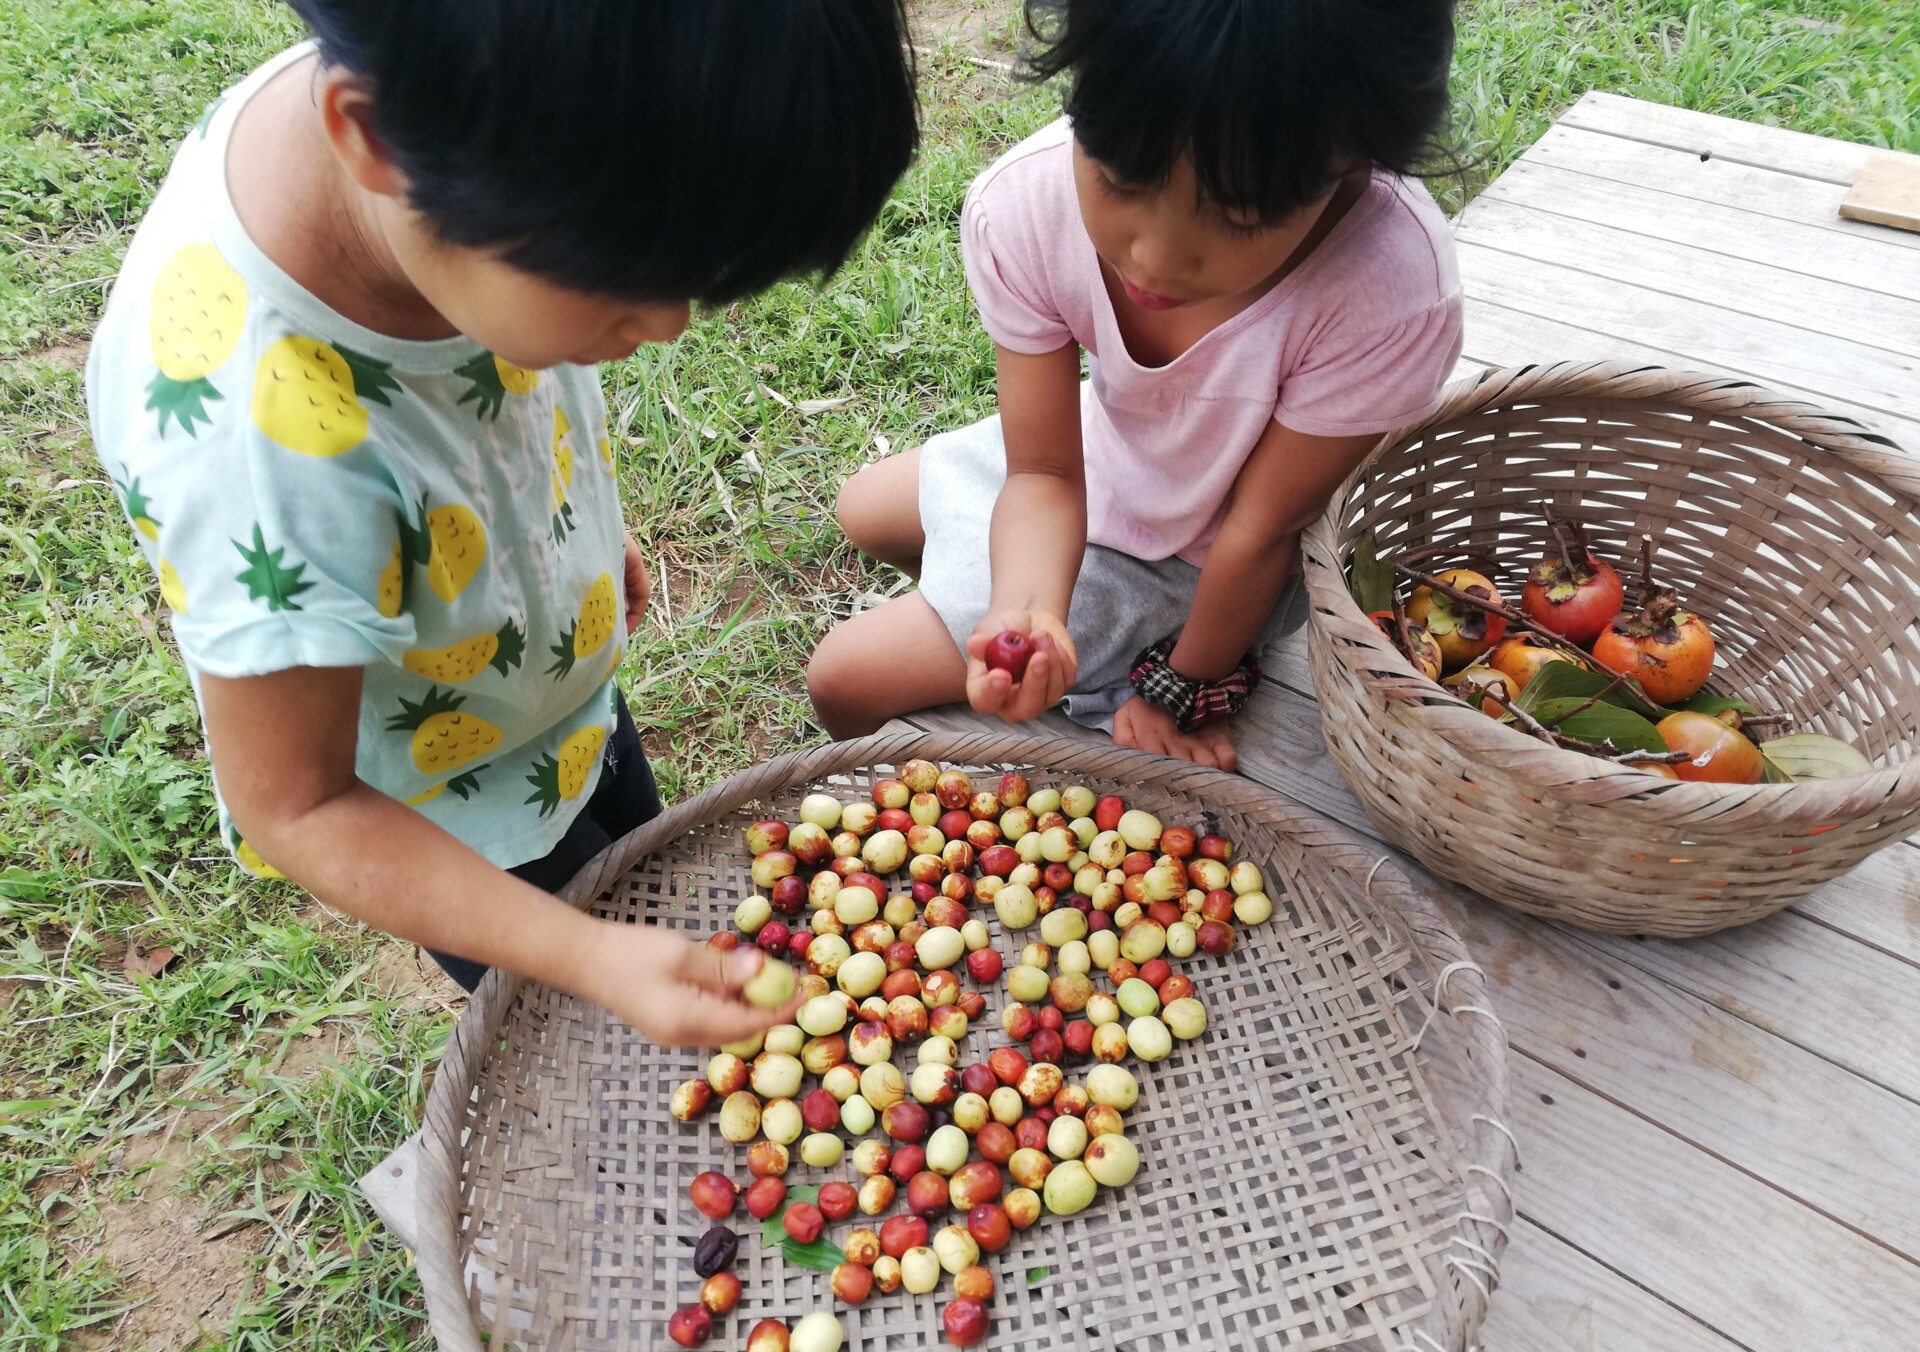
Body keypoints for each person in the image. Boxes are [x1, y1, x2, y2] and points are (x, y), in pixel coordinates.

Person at [85, 0, 917, 1046]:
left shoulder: (478, 113)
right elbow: (295, 806)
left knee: (634, 852)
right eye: (622, 287)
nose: (662, 330)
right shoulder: (257, 451)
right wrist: (588, 956)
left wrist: (576, 535)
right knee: (590, 1026)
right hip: (453, 818)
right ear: (375, 138)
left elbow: (508, 384)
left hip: (552, 701)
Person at [809, 0, 1462, 772]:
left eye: (1237, 216)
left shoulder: (1391, 291)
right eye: (1120, 178)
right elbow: (1045, 470)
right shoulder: (1026, 205)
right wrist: (1028, 609)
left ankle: (1115, 639)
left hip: (1199, 555)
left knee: (842, 680)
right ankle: (998, 600)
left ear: (1353, 161)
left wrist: (1183, 684)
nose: (1151, 259)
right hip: (1104, 453)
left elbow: (1261, 535)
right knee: (863, 507)